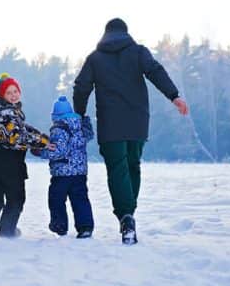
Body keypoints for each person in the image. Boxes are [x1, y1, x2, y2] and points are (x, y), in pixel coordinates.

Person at [73, 18, 189, 244]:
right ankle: (128, 215)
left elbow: (81, 86)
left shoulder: (95, 58)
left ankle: (125, 216)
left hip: (109, 122)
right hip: (137, 120)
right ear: (126, 33)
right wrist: (174, 95)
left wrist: (79, 113)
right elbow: (155, 71)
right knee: (133, 165)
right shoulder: (138, 52)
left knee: (117, 169)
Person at [0, 73, 53, 244]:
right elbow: (16, 137)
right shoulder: (8, 112)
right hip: (8, 162)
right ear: (2, 95)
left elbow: (23, 129)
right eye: (8, 92)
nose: (13, 95)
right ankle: (7, 232)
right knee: (15, 198)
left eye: (15, 91)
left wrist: (42, 138)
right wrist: (42, 143)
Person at [35, 96, 95, 239]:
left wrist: (41, 152)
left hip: (62, 173)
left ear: (55, 116)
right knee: (80, 199)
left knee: (56, 198)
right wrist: (86, 121)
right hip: (80, 173)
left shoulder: (59, 128)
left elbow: (58, 150)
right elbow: (89, 136)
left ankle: (59, 224)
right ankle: (85, 227)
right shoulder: (79, 126)